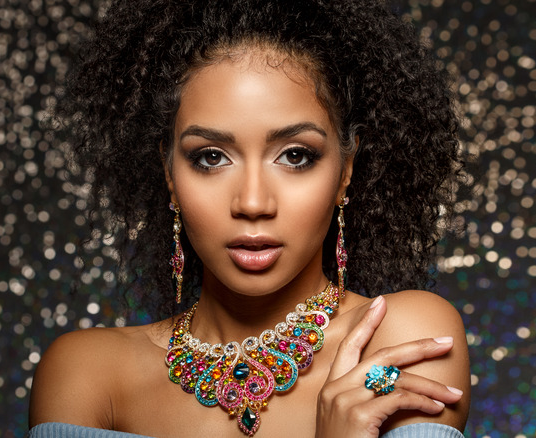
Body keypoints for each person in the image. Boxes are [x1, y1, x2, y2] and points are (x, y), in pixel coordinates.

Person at [28, 0, 470, 436]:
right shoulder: (87, 374)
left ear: (345, 172)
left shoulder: (398, 338)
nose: (253, 202)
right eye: (211, 157)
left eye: (296, 156)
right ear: (169, 175)